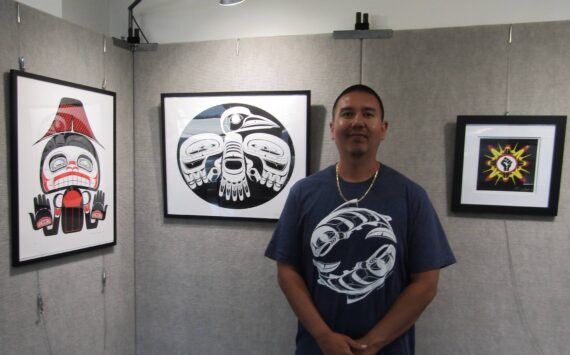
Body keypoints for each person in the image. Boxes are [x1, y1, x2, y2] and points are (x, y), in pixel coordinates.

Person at [264, 84, 456, 355]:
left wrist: (372, 343)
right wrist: (323, 336)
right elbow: (287, 271)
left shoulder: (411, 196)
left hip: (388, 349)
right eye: (347, 114)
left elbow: (425, 283)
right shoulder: (303, 193)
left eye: (368, 114)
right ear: (332, 128)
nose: (357, 122)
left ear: (383, 128)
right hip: (317, 348)